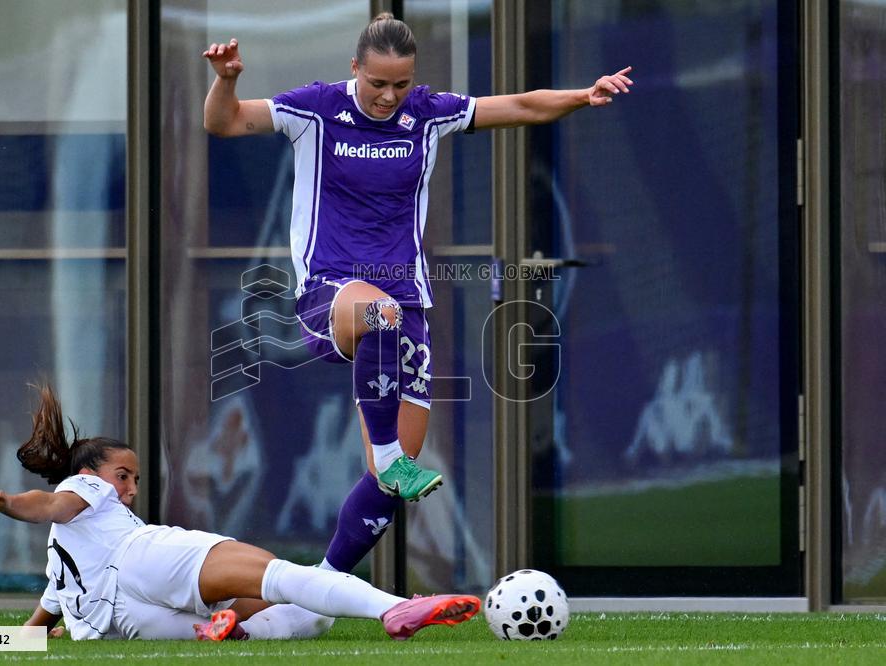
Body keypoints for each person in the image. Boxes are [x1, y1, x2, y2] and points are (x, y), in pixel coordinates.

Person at [202, 13, 633, 576]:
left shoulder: (428, 114)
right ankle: (384, 456)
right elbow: (225, 123)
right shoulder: (315, 110)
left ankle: (322, 591)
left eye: (400, 85)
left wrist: (584, 94)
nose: (388, 96)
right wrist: (226, 80)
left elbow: (521, 106)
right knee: (379, 329)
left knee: (395, 479)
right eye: (377, 83)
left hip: (407, 300)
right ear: (354, 69)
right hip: (329, 292)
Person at [0, 384, 479, 641]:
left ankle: (238, 628)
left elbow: (35, 627)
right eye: (124, 476)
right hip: (143, 561)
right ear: (91, 471)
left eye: (135, 480)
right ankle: (390, 608)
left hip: (117, 621)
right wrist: (6, 504)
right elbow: (49, 504)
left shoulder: (61, 562)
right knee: (279, 576)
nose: (130, 489)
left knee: (273, 619)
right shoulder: (86, 486)